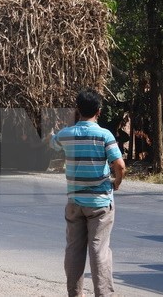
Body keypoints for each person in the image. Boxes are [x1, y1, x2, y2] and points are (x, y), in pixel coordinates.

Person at [50, 89, 126, 297]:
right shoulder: (104, 135)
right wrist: (116, 183)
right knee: (99, 251)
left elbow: (53, 142)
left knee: (74, 250)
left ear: (77, 110)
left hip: (75, 202)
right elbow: (119, 165)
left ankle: (75, 294)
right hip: (100, 204)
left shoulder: (67, 134)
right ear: (99, 111)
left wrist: (52, 135)